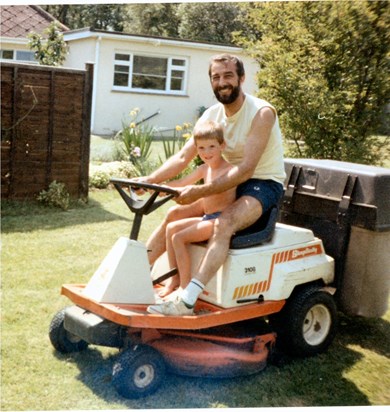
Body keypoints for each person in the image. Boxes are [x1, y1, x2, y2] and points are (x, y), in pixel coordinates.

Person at [145, 53, 286, 316]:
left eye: (228, 75)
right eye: (216, 77)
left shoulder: (262, 113)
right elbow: (182, 157)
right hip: (226, 179)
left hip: (261, 184)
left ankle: (187, 299)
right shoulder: (211, 115)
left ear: (242, 78)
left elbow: (246, 170)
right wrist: (149, 181)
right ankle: (138, 272)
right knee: (173, 214)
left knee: (225, 223)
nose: (222, 82)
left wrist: (200, 191)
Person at [152, 120, 236, 301]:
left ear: (222, 145)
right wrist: (155, 187)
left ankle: (184, 287)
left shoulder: (230, 171)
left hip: (219, 221)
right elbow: (180, 184)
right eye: (201, 148)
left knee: (179, 237)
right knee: (171, 228)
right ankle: (173, 279)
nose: (207, 153)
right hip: (207, 218)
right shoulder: (204, 169)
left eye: (212, 147)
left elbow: (217, 189)